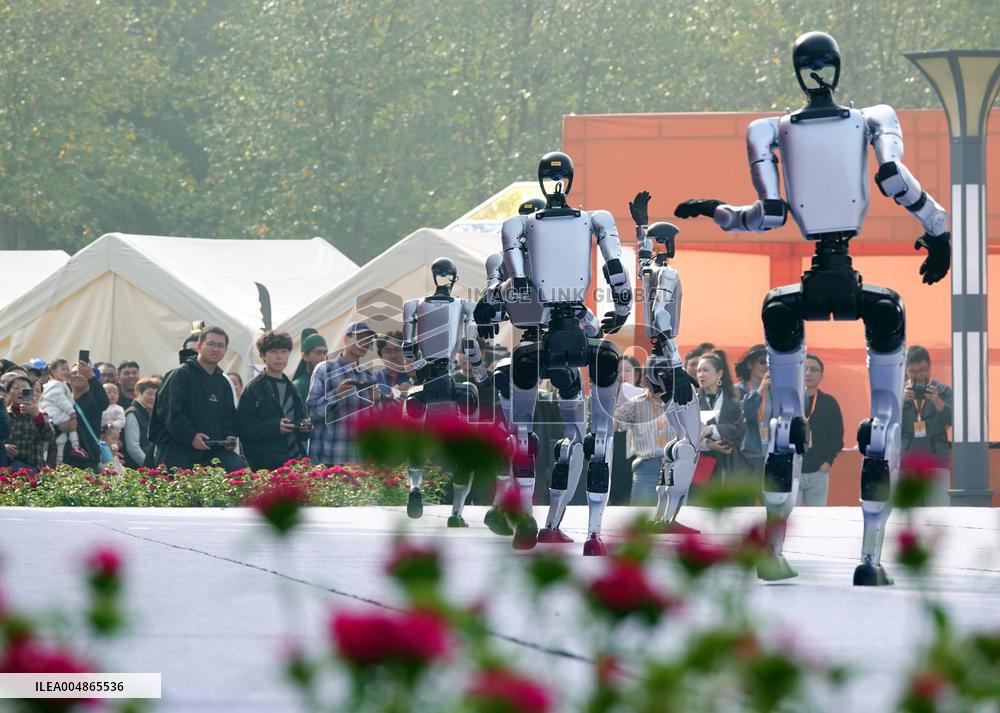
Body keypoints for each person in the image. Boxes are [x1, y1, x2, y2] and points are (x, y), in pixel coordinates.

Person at [151, 326, 245, 471]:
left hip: (214, 451)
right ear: (199, 347)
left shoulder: (223, 382)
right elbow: (170, 413)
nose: (216, 349)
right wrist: (191, 436)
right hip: (179, 451)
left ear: (226, 350)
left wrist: (230, 435)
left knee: (239, 470)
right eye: (211, 344)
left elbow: (229, 416)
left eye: (221, 346)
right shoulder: (180, 375)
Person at [306, 321, 379, 465]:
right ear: (346, 339)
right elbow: (312, 412)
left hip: (358, 460)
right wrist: (336, 394)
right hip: (328, 457)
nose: (364, 343)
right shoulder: (325, 369)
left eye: (368, 340)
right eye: (359, 338)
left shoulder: (368, 375)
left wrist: (376, 402)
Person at [237, 331, 311, 471]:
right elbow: (243, 427)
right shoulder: (253, 388)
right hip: (267, 464)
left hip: (296, 460)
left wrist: (304, 427)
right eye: (273, 351)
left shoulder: (292, 388)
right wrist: (274, 426)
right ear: (263, 355)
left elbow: (301, 420)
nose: (279, 357)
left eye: (284, 351)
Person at [798, 355, 844, 506]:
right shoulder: (791, 401)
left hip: (818, 471)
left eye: (814, 370)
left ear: (821, 376)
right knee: (791, 517)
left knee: (816, 517)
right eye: (805, 369)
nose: (808, 373)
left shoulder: (829, 402)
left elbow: (837, 436)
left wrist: (828, 462)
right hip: (793, 472)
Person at [695, 352, 746, 482]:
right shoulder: (692, 404)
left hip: (729, 465)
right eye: (699, 371)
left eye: (705, 370)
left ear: (719, 374)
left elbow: (740, 430)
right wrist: (708, 445)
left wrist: (712, 429)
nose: (701, 374)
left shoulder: (733, 403)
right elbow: (684, 435)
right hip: (700, 465)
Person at [901, 346, 953, 458]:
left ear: (930, 367)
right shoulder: (898, 392)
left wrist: (937, 401)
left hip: (935, 458)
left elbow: (955, 420)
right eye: (913, 371)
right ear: (906, 371)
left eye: (922, 370)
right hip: (907, 458)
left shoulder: (943, 391)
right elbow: (888, 422)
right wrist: (901, 401)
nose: (919, 375)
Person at [39, 359, 86, 464]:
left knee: (61, 441)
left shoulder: (61, 384)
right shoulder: (55, 385)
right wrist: (71, 411)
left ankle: (60, 460)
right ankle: (75, 446)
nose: (66, 372)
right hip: (54, 415)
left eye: (68, 369)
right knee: (70, 424)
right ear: (53, 371)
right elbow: (60, 399)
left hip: (57, 415)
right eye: (63, 369)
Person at [65, 361, 110, 471]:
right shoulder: (63, 399)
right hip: (63, 457)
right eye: (74, 373)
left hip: (87, 458)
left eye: (82, 373)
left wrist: (90, 375)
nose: (78, 375)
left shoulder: (93, 398)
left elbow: (104, 402)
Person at [5, 376, 55, 472]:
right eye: (16, 388)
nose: (20, 391)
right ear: (8, 393)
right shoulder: (3, 415)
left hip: (32, 469)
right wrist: (2, 448)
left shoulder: (40, 414)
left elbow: (49, 437)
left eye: (25, 388)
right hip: (5, 469)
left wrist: (37, 416)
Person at [735, 344, 771, 473]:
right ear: (750, 365)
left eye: (770, 363)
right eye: (762, 362)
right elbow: (745, 414)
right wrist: (761, 390)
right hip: (747, 455)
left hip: (771, 453)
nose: (767, 367)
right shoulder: (738, 389)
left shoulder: (775, 390)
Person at [123, 378, 158, 469]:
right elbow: (133, 448)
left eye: (155, 394)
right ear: (138, 393)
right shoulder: (132, 413)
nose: (153, 398)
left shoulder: (150, 412)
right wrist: (149, 467)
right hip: (139, 468)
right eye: (149, 393)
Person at [374, 331, 413, 403]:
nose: (393, 356)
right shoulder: (373, 379)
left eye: (398, 350)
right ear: (380, 355)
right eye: (388, 351)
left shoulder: (415, 377)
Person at [292, 329, 328, 402]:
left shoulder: (329, 382)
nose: (323, 358)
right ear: (305, 356)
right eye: (318, 353)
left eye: (325, 353)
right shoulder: (297, 387)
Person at [101, 382, 126, 449]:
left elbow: (121, 421)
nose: (112, 395)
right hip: (101, 433)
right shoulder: (100, 407)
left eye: (115, 393)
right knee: (102, 446)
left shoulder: (118, 408)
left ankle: (113, 454)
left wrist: (111, 425)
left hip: (114, 434)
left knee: (113, 447)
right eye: (108, 392)